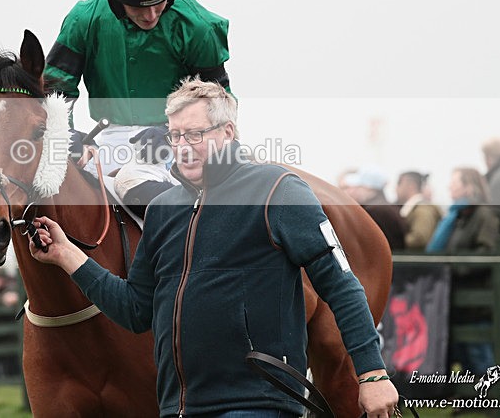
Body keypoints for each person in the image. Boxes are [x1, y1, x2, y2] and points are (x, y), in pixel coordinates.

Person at [28, 78, 398, 417]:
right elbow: (136, 310)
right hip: (180, 409)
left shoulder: (278, 189)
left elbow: (341, 285)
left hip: (257, 405)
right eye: (175, 136)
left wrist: (372, 373)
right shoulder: (162, 210)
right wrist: (68, 255)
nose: (182, 147)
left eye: (194, 134)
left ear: (228, 132)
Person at [43, 0, 232, 214]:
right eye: (138, 7)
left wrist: (172, 133)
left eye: (160, 3)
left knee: (131, 180)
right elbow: (56, 89)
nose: (151, 15)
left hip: (183, 140)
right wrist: (65, 133)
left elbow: (220, 101)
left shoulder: (196, 25)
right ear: (115, 0)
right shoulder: (83, 20)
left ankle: (200, 230)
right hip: (110, 139)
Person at [427, 167, 499, 377]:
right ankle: (468, 394)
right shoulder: (457, 217)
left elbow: (487, 252)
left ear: (469, 187)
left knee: (480, 355)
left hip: (477, 300)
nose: (450, 187)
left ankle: (491, 395)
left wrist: (454, 267)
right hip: (459, 297)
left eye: (455, 182)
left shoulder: (484, 215)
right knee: (465, 355)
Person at [345, 165, 408, 251]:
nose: (356, 191)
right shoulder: (387, 207)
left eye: (359, 186)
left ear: (369, 188)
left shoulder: (375, 210)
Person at [395, 171, 442, 250]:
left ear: (411, 186)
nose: (396, 188)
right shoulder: (414, 208)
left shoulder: (423, 210)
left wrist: (393, 242)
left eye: (399, 183)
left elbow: (419, 239)